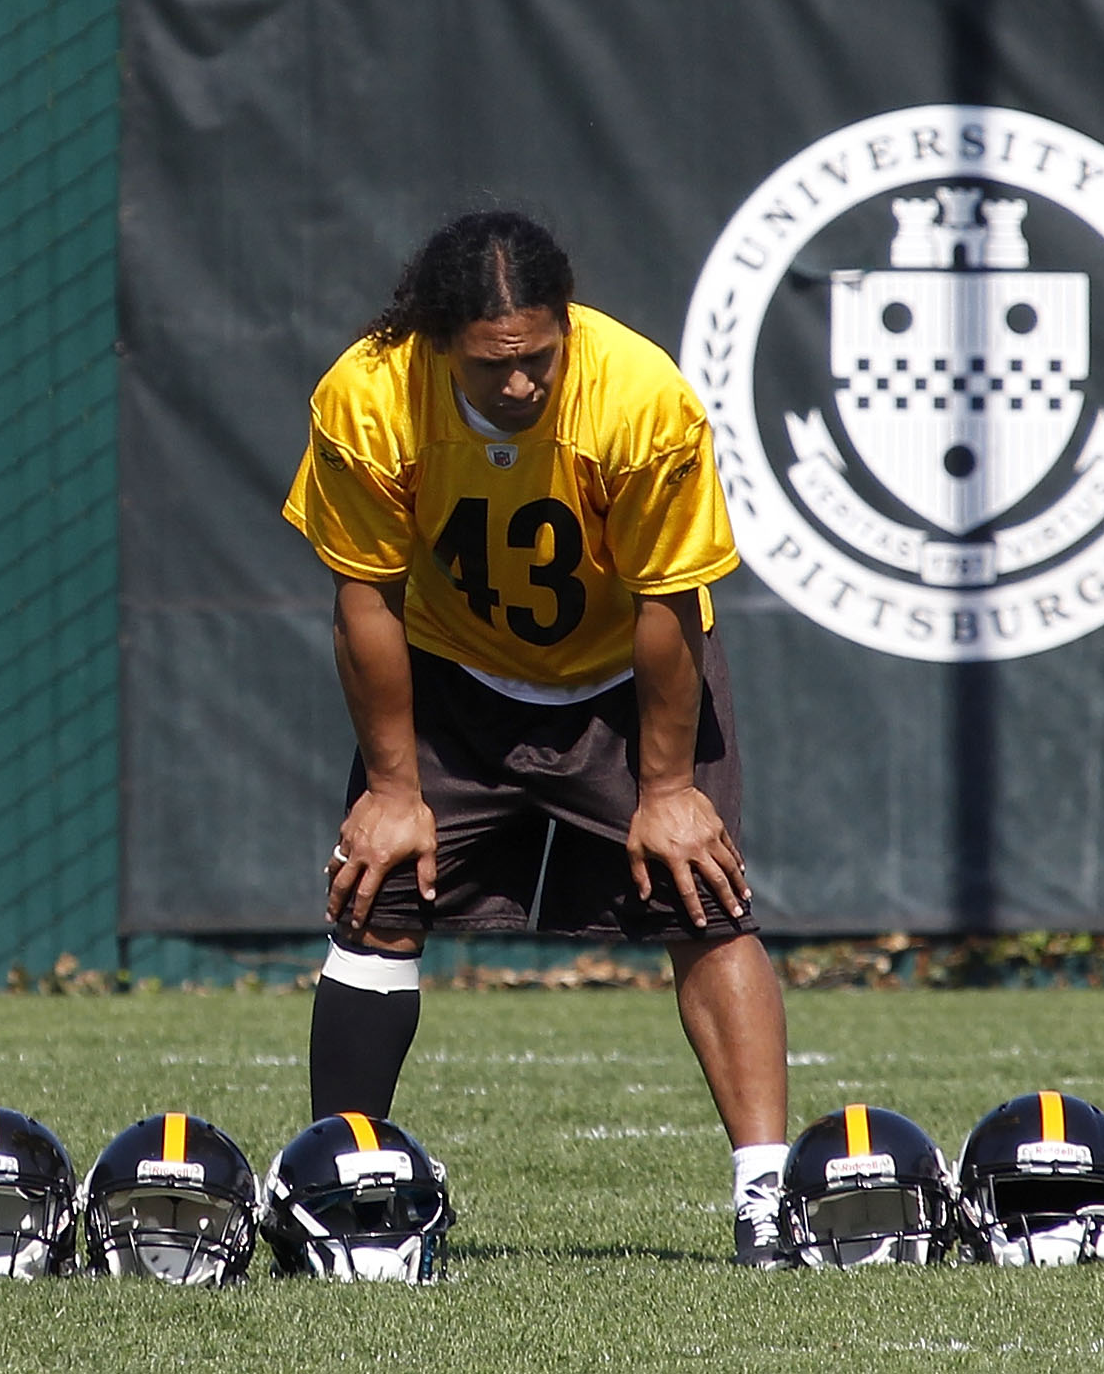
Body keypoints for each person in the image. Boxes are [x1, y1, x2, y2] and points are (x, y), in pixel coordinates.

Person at [280, 210, 793, 1265]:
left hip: (624, 676)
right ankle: (336, 1177)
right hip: (456, 672)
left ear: (568, 326)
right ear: (435, 342)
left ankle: (767, 1196)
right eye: (492, 363)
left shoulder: (641, 397)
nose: (520, 383)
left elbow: (668, 600)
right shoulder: (370, 396)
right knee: (375, 890)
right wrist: (390, 783)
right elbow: (364, 598)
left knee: (706, 896)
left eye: (539, 357)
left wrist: (664, 784)